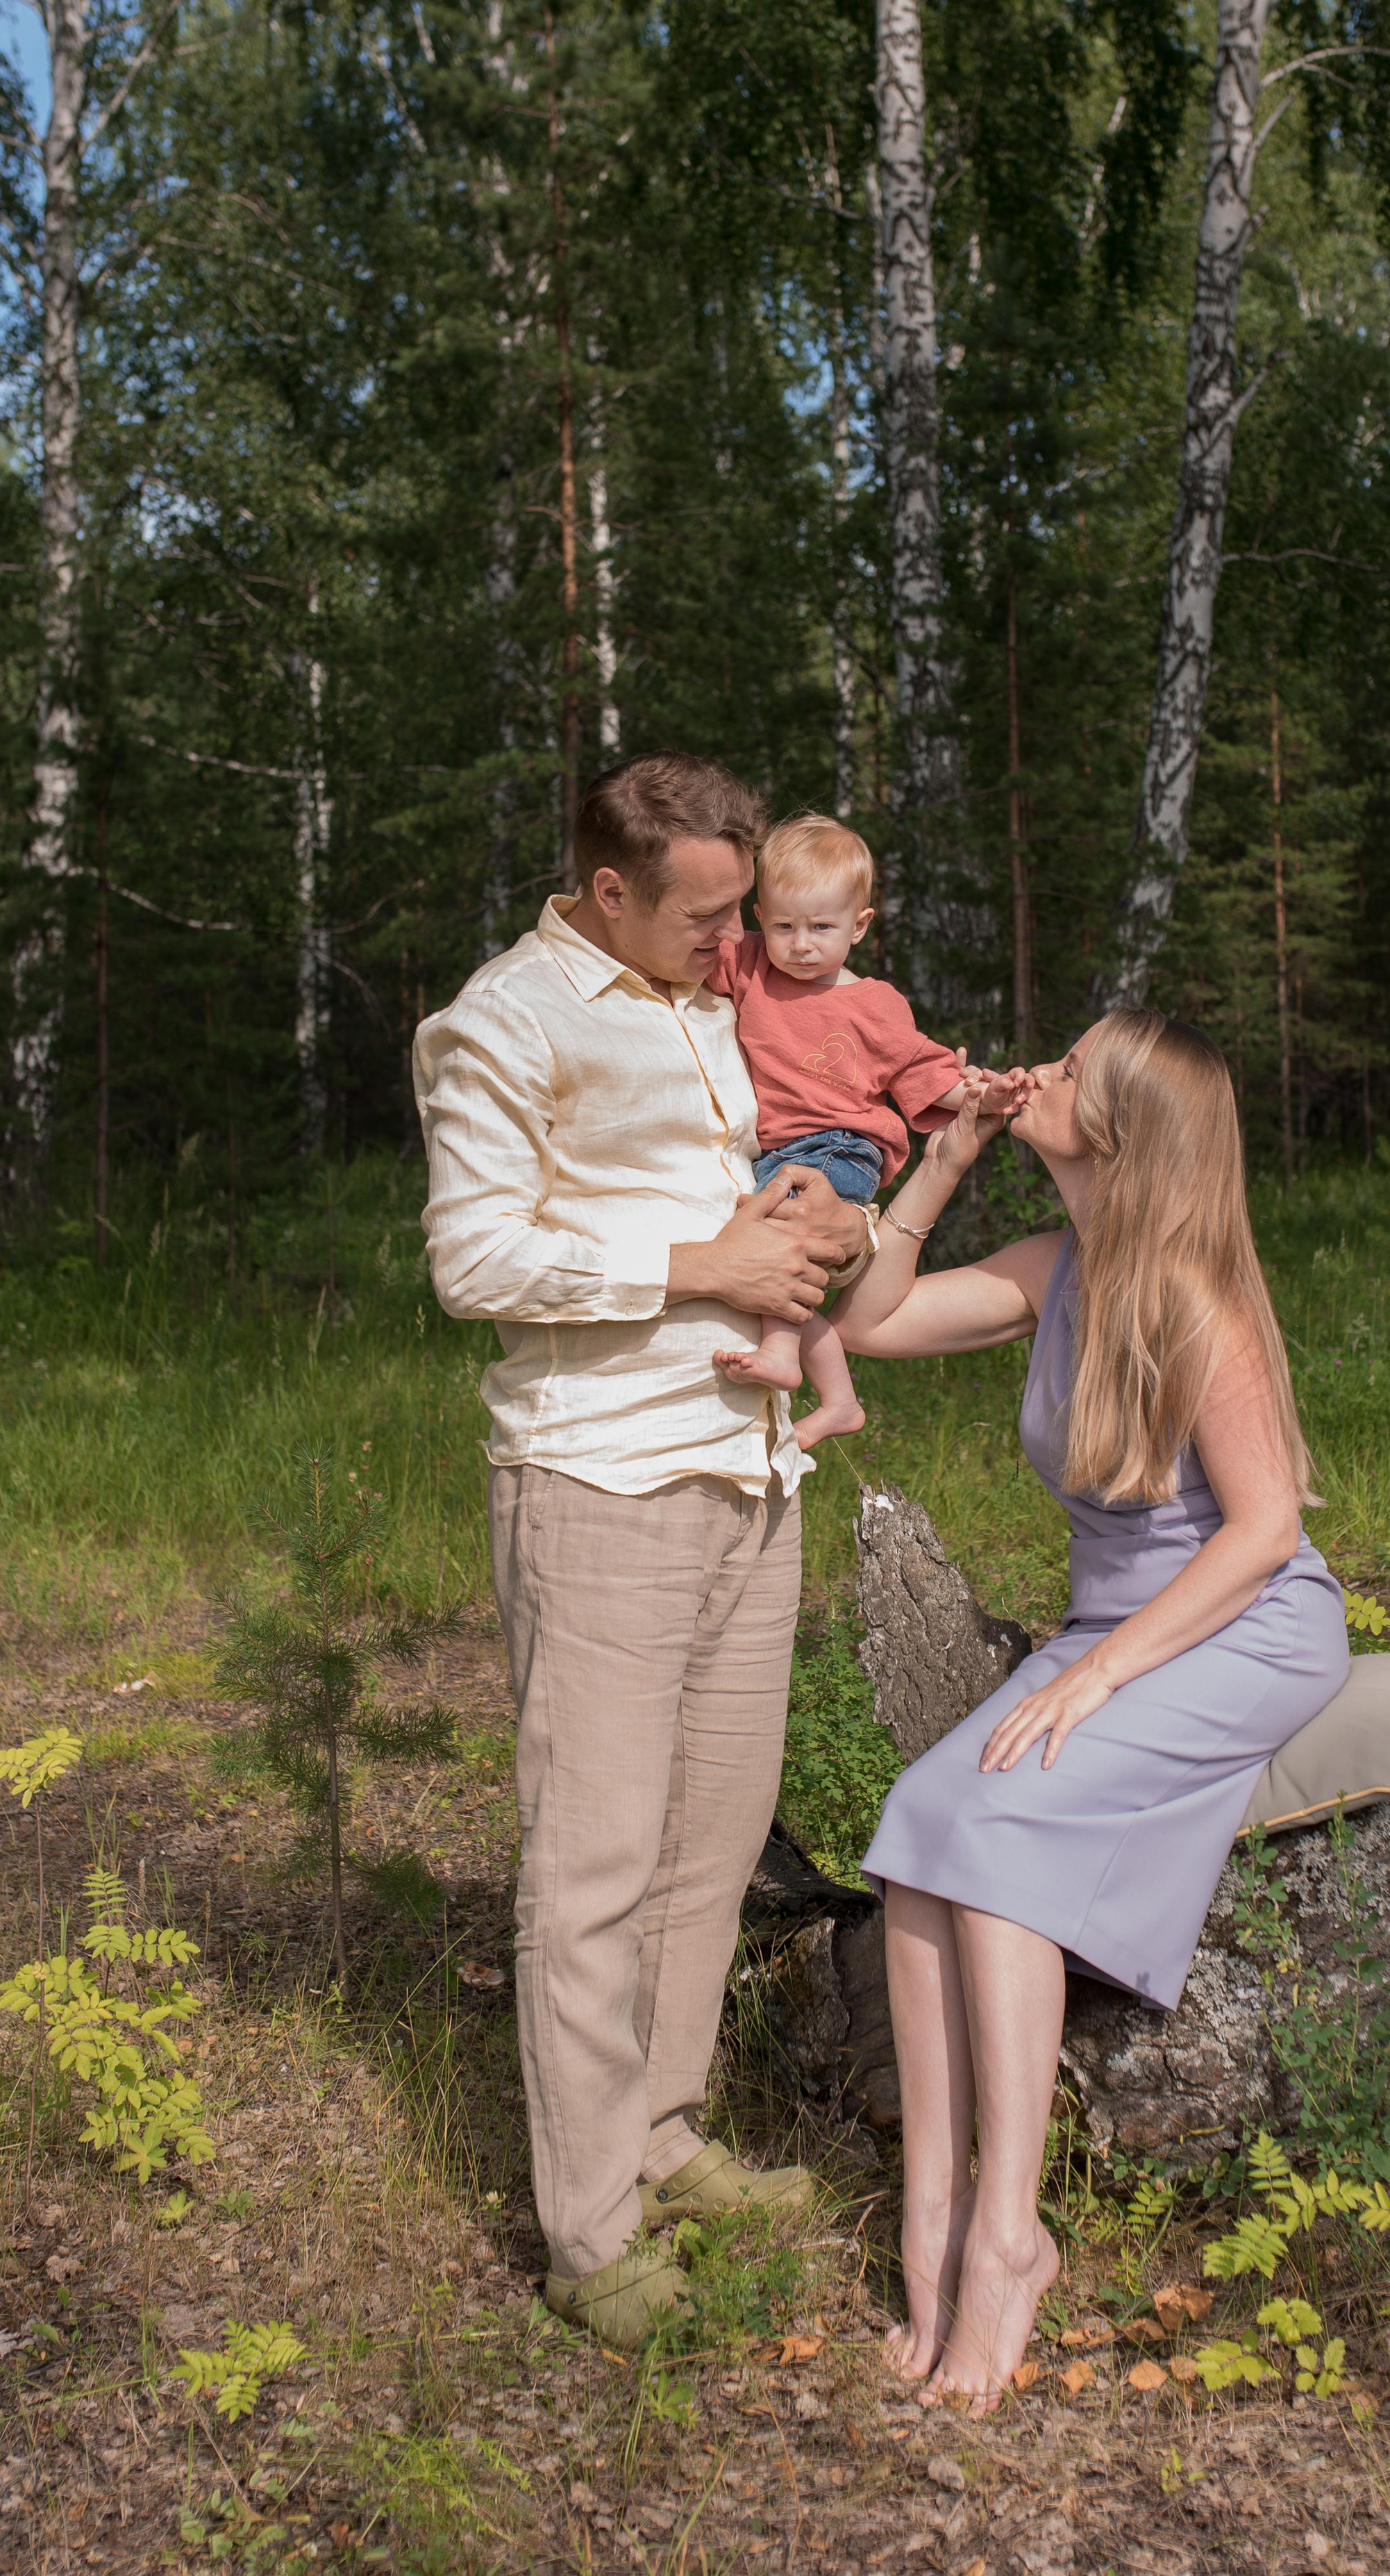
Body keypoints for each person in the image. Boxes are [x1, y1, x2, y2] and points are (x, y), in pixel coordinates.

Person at [413, 753, 874, 2348]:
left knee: (709, 1840)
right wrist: (706, 1260)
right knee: (594, 1868)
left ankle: (667, 2136)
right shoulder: (502, 1022)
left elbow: (764, 1192)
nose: (731, 937)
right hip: (596, 1483)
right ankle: (588, 2226)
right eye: (702, 912)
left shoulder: (699, 1001)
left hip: (748, 1469)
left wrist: (823, 1219)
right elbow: (473, 1257)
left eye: (742, 907)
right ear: (605, 888)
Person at [830, 1007, 1350, 2411]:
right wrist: (939, 1160)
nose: (1033, 1073)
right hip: (1118, 1624)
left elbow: (1254, 1533)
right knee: (911, 1831)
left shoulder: (1192, 1296)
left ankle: (1009, 2236)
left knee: (997, 1838)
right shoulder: (1057, 1265)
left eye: (1062, 1072)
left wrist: (1097, 1671)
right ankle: (930, 2220)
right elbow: (866, 1322)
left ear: (1112, 1127)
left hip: (1239, 1623)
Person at [706, 812, 972, 1449]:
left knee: (773, 1254)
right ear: (759, 916)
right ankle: (841, 1400)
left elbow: (922, 1067)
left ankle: (781, 1357)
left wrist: (980, 1092)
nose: (801, 944)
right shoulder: (751, 969)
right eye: (783, 925)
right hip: (780, 1156)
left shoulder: (872, 1003)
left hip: (839, 1148)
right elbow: (686, 935)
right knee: (786, 1278)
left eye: (822, 927)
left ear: (859, 925)